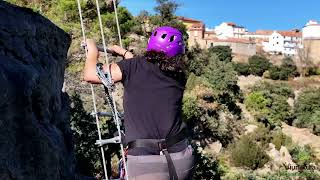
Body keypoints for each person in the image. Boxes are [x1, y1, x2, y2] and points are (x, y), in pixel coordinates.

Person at [83, 26, 194, 180]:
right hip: (181, 158)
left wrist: (93, 52)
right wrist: (125, 53)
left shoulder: (133, 67)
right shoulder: (179, 76)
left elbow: (90, 75)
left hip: (146, 163)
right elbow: (147, 69)